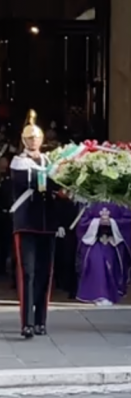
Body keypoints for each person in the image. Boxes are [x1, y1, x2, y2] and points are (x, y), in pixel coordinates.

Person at [10, 110, 59, 338]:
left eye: (36, 138)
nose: (33, 142)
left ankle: (41, 321)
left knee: (45, 274)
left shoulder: (49, 161)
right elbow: (33, 182)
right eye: (29, 138)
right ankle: (26, 323)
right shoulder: (18, 162)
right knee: (27, 273)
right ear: (23, 140)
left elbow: (56, 186)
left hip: (47, 223)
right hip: (27, 222)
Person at [76, 202, 131, 306]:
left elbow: (128, 221)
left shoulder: (121, 202)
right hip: (95, 241)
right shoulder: (92, 202)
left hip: (113, 241)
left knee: (112, 263)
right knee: (96, 263)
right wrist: (97, 222)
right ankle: (98, 294)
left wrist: (112, 222)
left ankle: (111, 294)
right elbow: (82, 222)